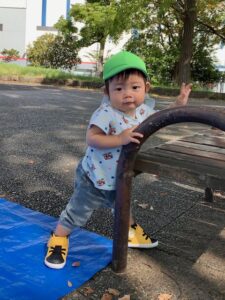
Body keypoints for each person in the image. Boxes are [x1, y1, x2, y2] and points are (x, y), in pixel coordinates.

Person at [44, 51, 192, 269]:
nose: (128, 94)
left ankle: (130, 232)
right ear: (107, 92)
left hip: (120, 176)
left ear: (146, 88)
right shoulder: (106, 113)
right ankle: (58, 237)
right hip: (94, 177)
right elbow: (92, 139)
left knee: (123, 206)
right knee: (78, 211)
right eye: (119, 89)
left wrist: (178, 104)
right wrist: (120, 138)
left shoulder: (143, 110)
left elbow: (159, 119)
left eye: (135, 87)